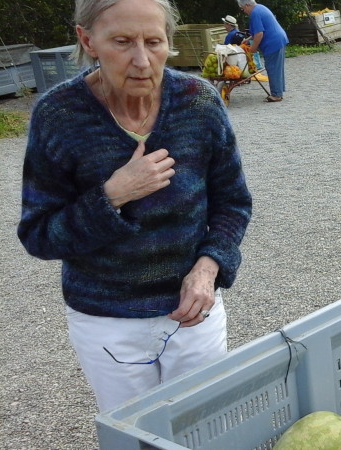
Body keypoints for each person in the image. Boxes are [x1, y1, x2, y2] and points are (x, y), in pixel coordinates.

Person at [17, 0, 253, 413]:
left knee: (206, 425)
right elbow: (38, 235)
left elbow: (233, 202)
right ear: (87, 40)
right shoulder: (60, 116)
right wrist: (113, 195)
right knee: (137, 434)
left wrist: (209, 266)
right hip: (107, 322)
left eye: (154, 41)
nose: (142, 60)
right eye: (122, 42)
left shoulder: (198, 102)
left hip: (195, 312)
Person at [238, 0, 288, 102]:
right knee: (277, 68)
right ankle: (278, 91)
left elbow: (259, 33)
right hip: (279, 39)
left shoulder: (255, 13)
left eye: (243, 9)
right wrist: (248, 40)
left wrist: (253, 48)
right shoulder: (260, 8)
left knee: (272, 68)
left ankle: (276, 95)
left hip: (272, 42)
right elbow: (258, 31)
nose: (244, 11)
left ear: (247, 5)